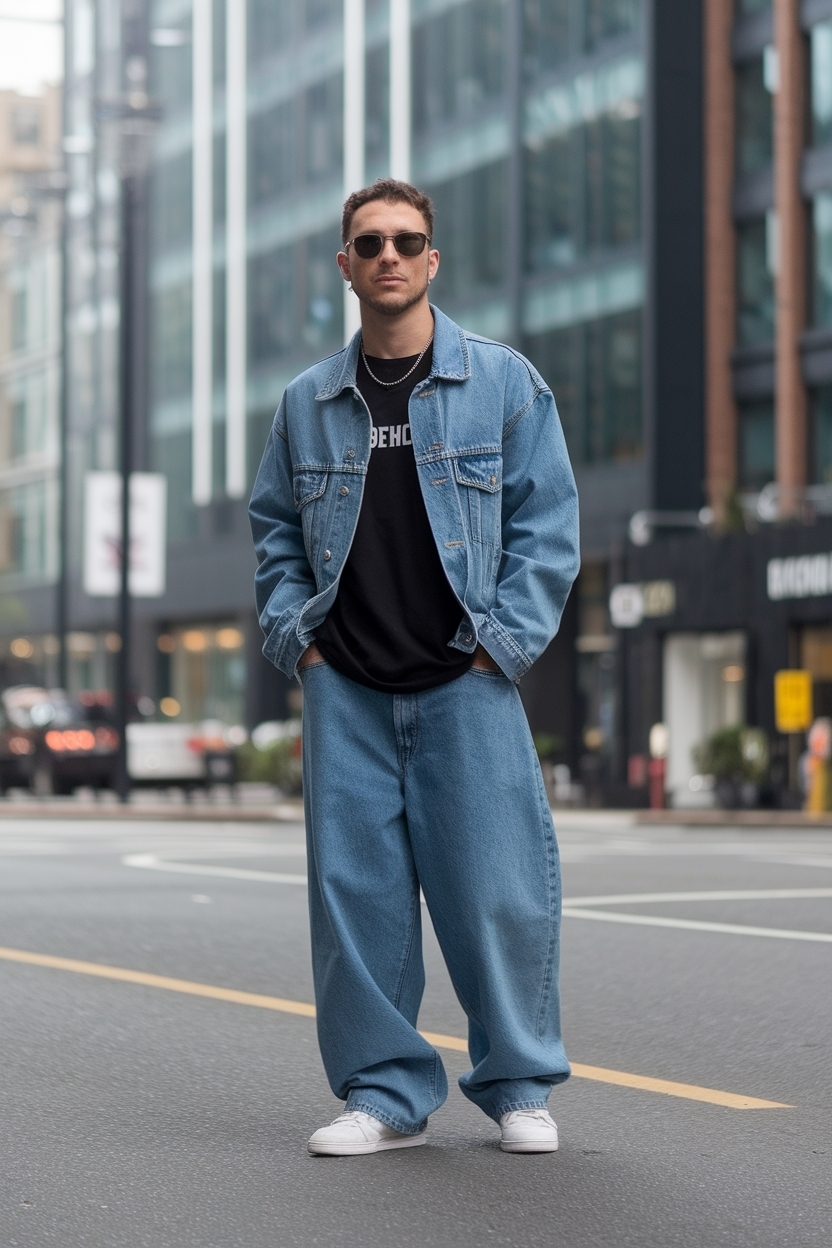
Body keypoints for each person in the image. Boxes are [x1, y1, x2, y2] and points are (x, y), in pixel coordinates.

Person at [249, 178, 580, 1156]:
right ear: (345, 266)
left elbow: (548, 531)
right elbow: (272, 534)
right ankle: (385, 1095)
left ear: (432, 260)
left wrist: (499, 645)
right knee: (356, 900)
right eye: (369, 242)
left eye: (407, 240)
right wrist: (295, 642)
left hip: (463, 679)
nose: (388, 255)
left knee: (496, 892)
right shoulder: (305, 404)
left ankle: (518, 1085)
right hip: (345, 683)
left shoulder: (504, 384)